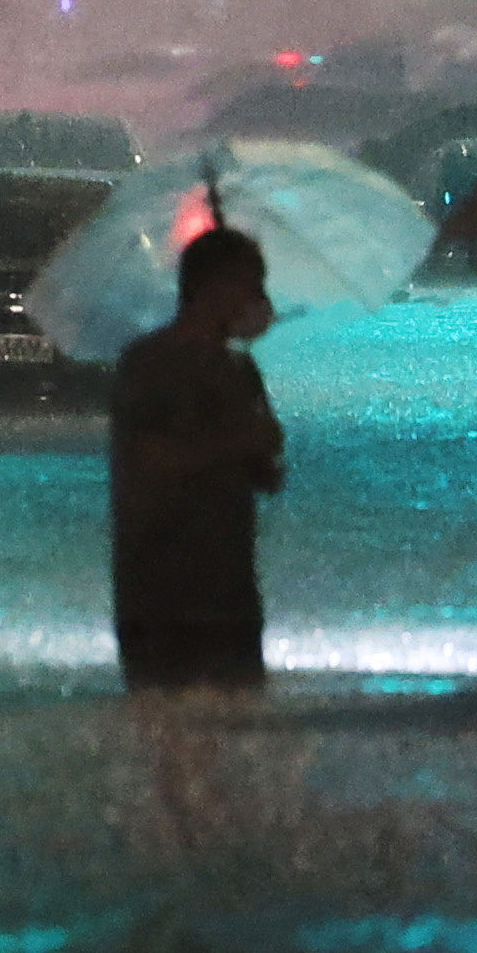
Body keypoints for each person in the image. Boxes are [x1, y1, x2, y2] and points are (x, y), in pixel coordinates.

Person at [110, 227, 286, 689]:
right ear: (217, 287)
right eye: (252, 285)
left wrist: (263, 456)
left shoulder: (240, 368)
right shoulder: (150, 365)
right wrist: (242, 442)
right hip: (161, 593)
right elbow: (149, 462)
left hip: (230, 590)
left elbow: (260, 475)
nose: (260, 300)